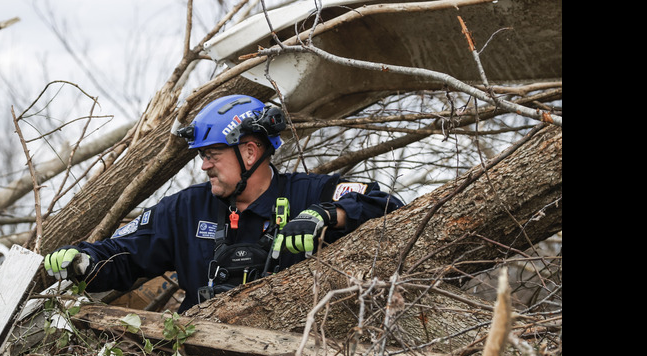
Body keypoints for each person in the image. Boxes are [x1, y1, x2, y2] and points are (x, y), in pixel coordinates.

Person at [43, 94, 403, 313]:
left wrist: (328, 215)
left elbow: (387, 208)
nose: (204, 165)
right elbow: (123, 254)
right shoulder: (184, 210)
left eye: (213, 154)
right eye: (202, 156)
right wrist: (84, 261)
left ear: (249, 151)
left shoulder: (309, 193)